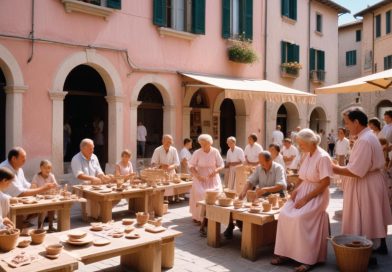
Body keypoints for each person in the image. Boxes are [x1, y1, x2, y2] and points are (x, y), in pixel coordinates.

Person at [332, 107, 392, 255]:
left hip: (366, 184)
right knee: (372, 214)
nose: (346, 126)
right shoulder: (367, 136)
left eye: (347, 123)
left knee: (366, 216)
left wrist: (335, 168)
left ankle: (366, 250)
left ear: (356, 122)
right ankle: (376, 245)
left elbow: (357, 171)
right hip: (371, 182)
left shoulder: (365, 140)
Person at [272, 129, 332, 272]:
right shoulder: (307, 155)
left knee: (300, 218)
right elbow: (301, 177)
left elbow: (325, 183)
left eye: (301, 144)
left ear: (310, 142)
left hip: (317, 195)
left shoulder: (323, 157)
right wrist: (295, 191)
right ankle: (287, 253)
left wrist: (305, 199)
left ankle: (308, 259)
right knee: (284, 214)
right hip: (303, 191)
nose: (299, 147)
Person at [224, 151, 286, 239]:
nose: (260, 164)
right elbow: (250, 181)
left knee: (261, 212)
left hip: (275, 197)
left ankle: (259, 234)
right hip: (262, 196)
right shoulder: (259, 167)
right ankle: (234, 226)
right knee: (241, 207)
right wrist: (243, 192)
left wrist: (265, 189)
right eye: (259, 162)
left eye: (262, 162)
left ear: (269, 161)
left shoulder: (278, 168)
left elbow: (281, 185)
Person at [189, 134, 224, 236]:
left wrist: (216, 170)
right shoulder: (197, 153)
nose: (203, 146)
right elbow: (191, 166)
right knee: (201, 193)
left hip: (212, 177)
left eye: (205, 144)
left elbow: (221, 164)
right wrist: (197, 175)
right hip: (200, 178)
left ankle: (212, 216)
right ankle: (200, 218)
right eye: (201, 144)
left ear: (210, 143)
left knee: (217, 193)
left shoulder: (215, 151)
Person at [151, 135, 180, 201]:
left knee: (170, 192)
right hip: (160, 174)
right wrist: (161, 165)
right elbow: (153, 163)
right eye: (167, 142)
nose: (169, 144)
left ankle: (171, 200)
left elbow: (177, 163)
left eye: (170, 142)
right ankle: (162, 202)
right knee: (162, 193)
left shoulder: (174, 150)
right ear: (163, 141)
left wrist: (170, 167)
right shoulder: (157, 150)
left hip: (171, 173)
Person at [31, 160, 58, 231]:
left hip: (49, 197)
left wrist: (54, 186)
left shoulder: (51, 176)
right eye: (45, 168)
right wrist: (41, 190)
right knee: (43, 209)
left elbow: (55, 186)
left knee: (53, 207)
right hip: (39, 198)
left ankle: (51, 225)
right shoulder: (36, 177)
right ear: (41, 168)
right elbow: (33, 189)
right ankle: (40, 226)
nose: (47, 170)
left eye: (49, 168)